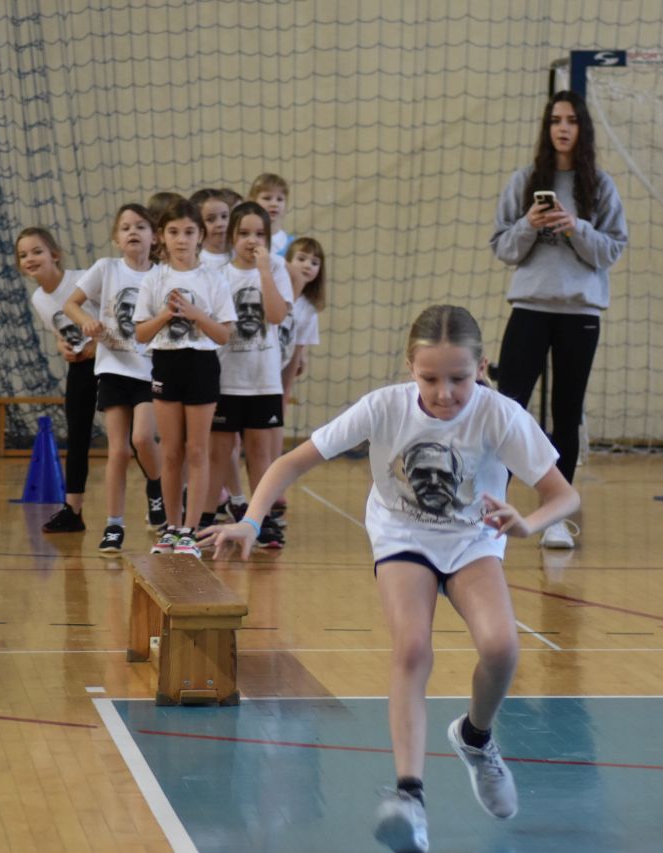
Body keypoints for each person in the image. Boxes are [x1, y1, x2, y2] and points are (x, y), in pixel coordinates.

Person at [200, 305, 580, 853]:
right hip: (403, 535)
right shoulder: (383, 408)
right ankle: (409, 796)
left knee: (502, 648)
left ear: (482, 368)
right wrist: (251, 521)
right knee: (411, 647)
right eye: (430, 378)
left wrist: (529, 522)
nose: (445, 393)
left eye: (459, 379)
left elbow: (563, 494)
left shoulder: (500, 415)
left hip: (473, 540)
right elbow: (290, 463)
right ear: (410, 368)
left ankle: (475, 738)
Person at [490, 90, 628, 549]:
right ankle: (490, 511)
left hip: (579, 313)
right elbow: (503, 248)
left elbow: (611, 250)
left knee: (566, 415)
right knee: (508, 410)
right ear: (546, 128)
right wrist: (530, 223)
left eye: (571, 120)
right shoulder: (525, 181)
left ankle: (555, 519)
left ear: (582, 128)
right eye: (555, 120)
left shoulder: (600, 186)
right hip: (530, 308)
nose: (562, 128)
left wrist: (576, 226)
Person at [133, 199, 236, 557]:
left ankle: (191, 530)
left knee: (197, 449)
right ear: (161, 236)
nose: (181, 239)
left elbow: (224, 335)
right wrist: (165, 315)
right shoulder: (154, 278)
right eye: (174, 232)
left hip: (202, 365)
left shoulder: (213, 278)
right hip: (166, 364)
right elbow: (140, 334)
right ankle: (171, 528)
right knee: (172, 451)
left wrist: (195, 314)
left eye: (189, 232)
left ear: (200, 236)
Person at [64, 204, 166, 553]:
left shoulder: (163, 276)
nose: (133, 231)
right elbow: (71, 304)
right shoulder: (106, 268)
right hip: (113, 369)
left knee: (143, 438)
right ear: (116, 239)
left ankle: (156, 484)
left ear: (155, 237)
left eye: (141, 226)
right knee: (118, 451)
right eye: (125, 227)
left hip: (150, 370)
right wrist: (87, 322)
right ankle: (114, 525)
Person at [203, 201, 290, 548]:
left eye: (259, 234)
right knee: (219, 454)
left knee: (260, 453)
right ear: (231, 237)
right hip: (226, 379)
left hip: (264, 380)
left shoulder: (276, 268)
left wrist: (264, 270)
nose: (252, 240)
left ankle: (259, 519)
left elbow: (276, 315)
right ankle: (205, 519)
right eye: (244, 233)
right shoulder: (218, 275)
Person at [19, 227, 96, 534]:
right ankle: (73, 510)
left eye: (37, 251)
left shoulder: (83, 279)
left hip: (113, 362)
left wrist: (98, 345)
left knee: (134, 437)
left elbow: (115, 313)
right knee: (77, 436)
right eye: (23, 255)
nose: (30, 258)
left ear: (55, 255)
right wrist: (62, 346)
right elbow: (59, 330)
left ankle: (161, 501)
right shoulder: (39, 298)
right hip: (81, 367)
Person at [269, 236, 327, 521]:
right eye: (301, 258)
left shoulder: (308, 309)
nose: (307, 265)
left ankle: (272, 487)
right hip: (251, 374)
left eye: (314, 262)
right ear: (286, 262)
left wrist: (284, 393)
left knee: (273, 431)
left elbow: (294, 356)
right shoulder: (274, 294)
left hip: (275, 378)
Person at [249, 173, 293, 256]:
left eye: (279, 199)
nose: (274, 204)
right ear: (252, 202)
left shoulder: (293, 246)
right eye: (267, 198)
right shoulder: (244, 242)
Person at [189, 188, 233, 270]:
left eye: (224, 216)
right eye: (210, 219)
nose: (220, 224)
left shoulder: (240, 253)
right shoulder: (195, 259)